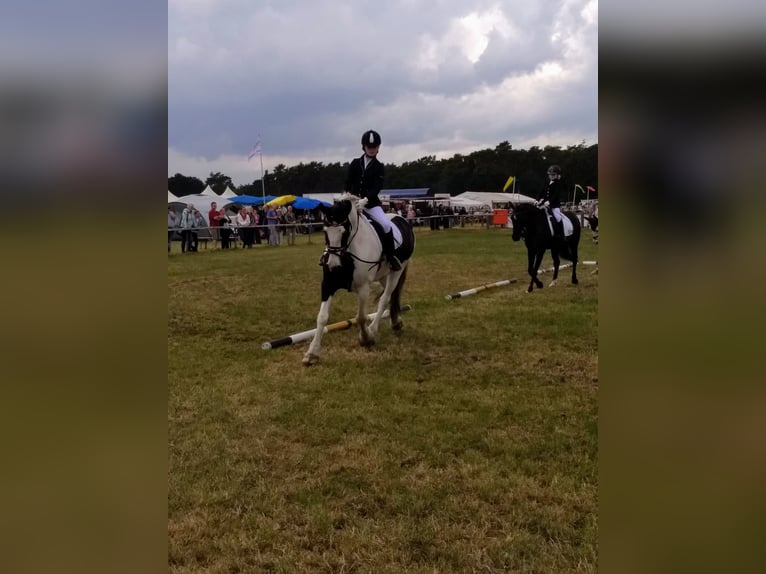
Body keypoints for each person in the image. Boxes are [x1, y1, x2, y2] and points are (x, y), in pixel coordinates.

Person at [344, 129, 401, 270]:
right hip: (353, 203)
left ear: (378, 148)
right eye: (369, 147)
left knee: (386, 225)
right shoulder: (355, 163)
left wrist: (365, 200)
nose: (371, 149)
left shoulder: (379, 167)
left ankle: (390, 255)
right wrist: (348, 196)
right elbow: (348, 182)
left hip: (371, 204)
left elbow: (377, 187)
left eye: (374, 147)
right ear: (364, 147)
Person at [537, 164, 565, 240]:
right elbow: (542, 192)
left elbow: (556, 194)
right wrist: (538, 200)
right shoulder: (546, 183)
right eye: (550, 174)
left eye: (553, 175)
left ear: (557, 175)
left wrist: (549, 202)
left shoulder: (558, 183)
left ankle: (561, 235)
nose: (551, 176)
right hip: (544, 205)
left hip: (554, 205)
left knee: (558, 217)